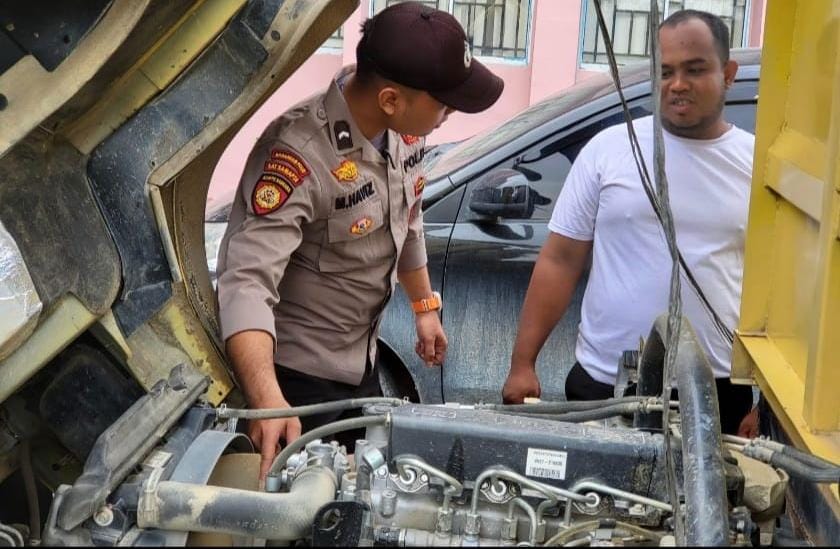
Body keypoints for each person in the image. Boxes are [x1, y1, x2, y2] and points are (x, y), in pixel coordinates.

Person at [217, 1, 504, 479]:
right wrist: (267, 401)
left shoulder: (401, 131)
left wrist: (424, 307)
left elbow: (406, 219)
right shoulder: (299, 156)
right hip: (296, 384)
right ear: (391, 99)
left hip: (362, 367)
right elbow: (245, 283)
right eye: (443, 102)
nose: (449, 113)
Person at [502, 9, 756, 436]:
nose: (677, 84)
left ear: (728, 73)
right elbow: (560, 260)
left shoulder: (757, 164)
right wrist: (523, 363)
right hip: (604, 385)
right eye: (666, 71)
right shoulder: (609, 149)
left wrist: (763, 406)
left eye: (695, 70)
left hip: (716, 392)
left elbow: (781, 291)